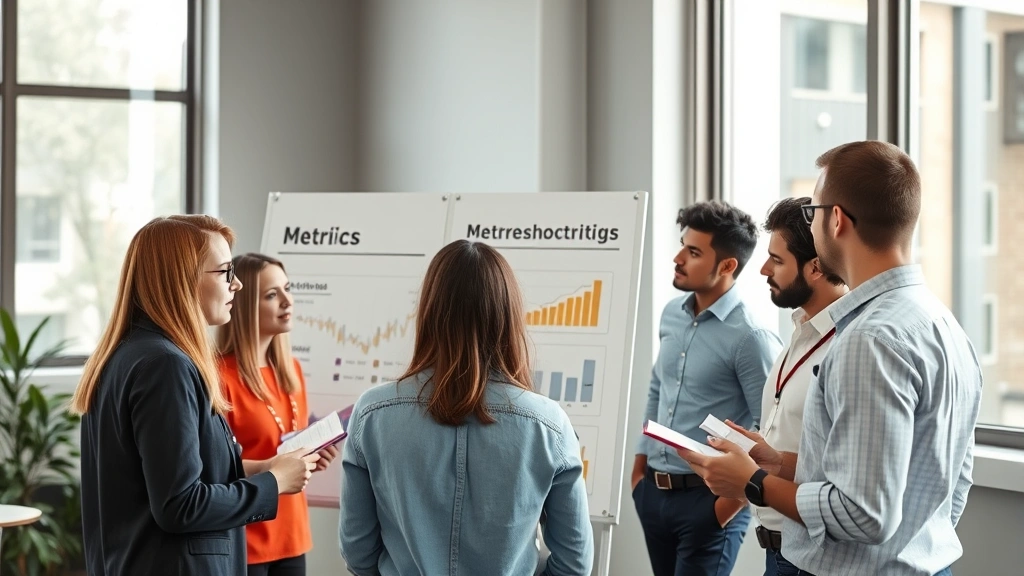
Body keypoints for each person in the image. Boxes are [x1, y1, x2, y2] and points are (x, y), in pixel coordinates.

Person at [678, 141, 982, 576]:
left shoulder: (870, 338)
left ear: (836, 219)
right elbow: (946, 480)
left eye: (813, 212)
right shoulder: (942, 323)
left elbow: (864, 514)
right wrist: (779, 462)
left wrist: (753, 481)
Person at [72, 215, 318, 576]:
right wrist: (273, 483)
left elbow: (171, 475)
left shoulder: (128, 355)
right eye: (224, 272)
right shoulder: (164, 366)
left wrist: (264, 468)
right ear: (181, 279)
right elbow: (180, 505)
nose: (236, 286)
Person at [339, 239, 593, 576]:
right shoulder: (549, 424)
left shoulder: (372, 414)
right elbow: (574, 563)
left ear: (429, 310)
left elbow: (358, 552)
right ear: (508, 315)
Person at [632, 200, 782, 576]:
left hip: (710, 501)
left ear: (727, 266)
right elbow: (657, 388)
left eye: (694, 251)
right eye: (683, 245)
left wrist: (722, 511)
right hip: (653, 491)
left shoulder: (751, 337)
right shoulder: (671, 314)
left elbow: (771, 432)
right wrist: (639, 473)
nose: (678, 258)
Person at [216, 253, 340, 576]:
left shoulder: (291, 371)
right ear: (244, 306)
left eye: (288, 289)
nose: (288, 301)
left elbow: (283, 442)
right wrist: (273, 467)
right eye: (272, 295)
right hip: (248, 539)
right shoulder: (218, 377)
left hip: (293, 533)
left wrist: (312, 454)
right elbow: (217, 465)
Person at [753, 197, 846, 576]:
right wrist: (759, 454)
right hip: (777, 551)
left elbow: (844, 481)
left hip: (815, 558)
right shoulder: (799, 331)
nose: (762, 269)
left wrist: (752, 475)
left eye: (777, 260)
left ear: (816, 267)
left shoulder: (850, 346)